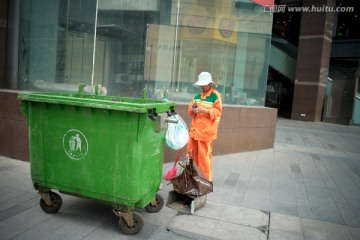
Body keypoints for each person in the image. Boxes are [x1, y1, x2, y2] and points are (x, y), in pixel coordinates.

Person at [187, 72, 222, 181]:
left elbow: (218, 112)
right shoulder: (196, 97)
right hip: (194, 131)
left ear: (210, 84)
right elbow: (190, 111)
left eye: (204, 84)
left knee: (204, 157)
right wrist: (193, 109)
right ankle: (194, 178)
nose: (202, 86)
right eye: (201, 84)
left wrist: (204, 110)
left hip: (206, 132)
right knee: (192, 156)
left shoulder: (215, 95)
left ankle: (205, 180)